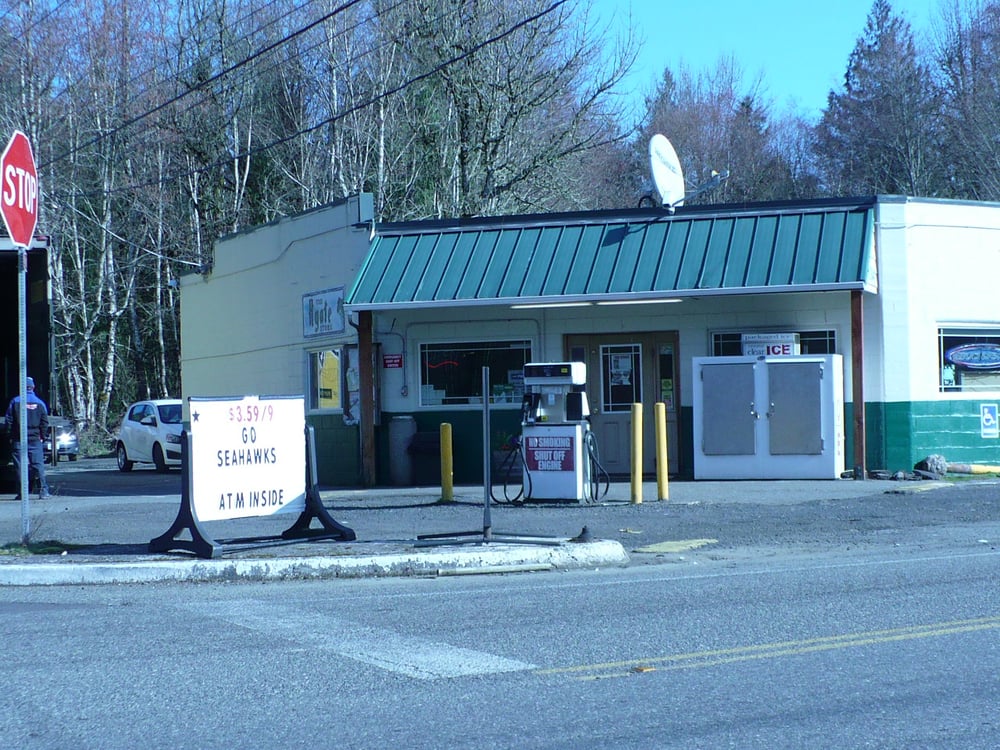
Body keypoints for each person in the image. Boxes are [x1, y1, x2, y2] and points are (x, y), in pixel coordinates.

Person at [5, 376, 51, 499]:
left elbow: (8, 420)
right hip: (35, 440)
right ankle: (43, 491)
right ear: (33, 387)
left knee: (20, 467)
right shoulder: (40, 403)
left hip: (19, 439)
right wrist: (43, 436)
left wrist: (10, 435)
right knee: (38, 465)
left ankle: (22, 493)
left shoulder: (15, 401)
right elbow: (44, 422)